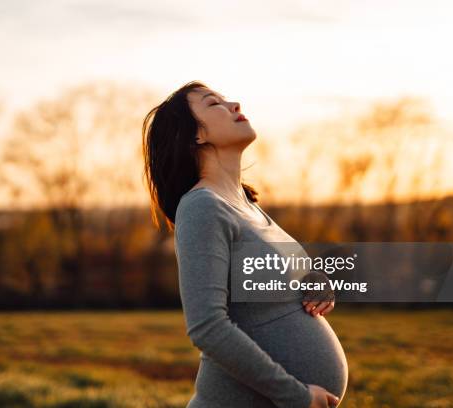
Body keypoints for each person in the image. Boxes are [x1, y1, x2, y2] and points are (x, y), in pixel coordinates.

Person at [142, 81, 348, 407]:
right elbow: (207, 327)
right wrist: (295, 397)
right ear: (197, 135)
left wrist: (315, 283)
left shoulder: (248, 205)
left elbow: (280, 283)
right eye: (214, 104)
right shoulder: (202, 207)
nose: (234, 104)